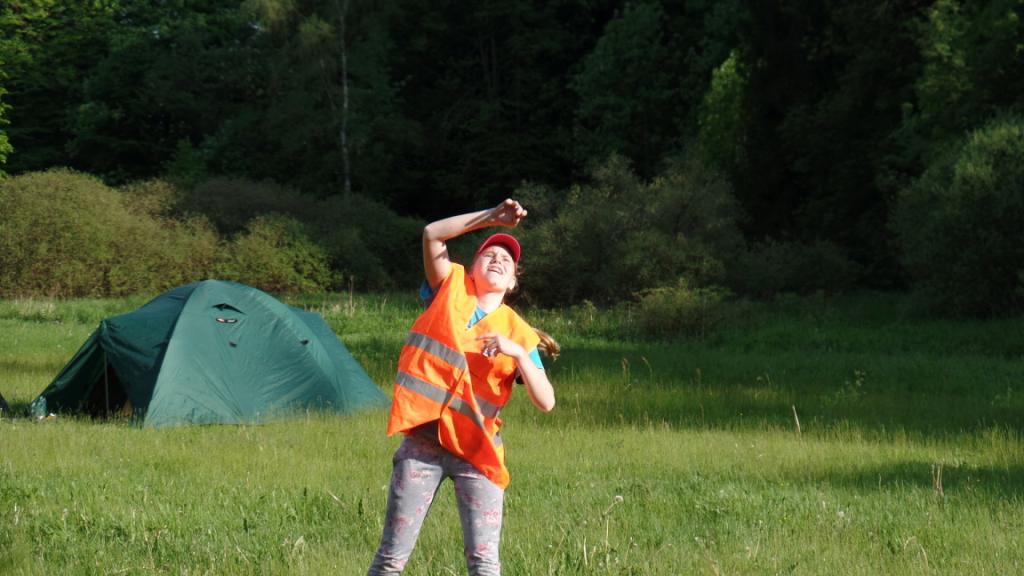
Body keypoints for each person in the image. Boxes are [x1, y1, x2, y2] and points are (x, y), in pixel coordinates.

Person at [367, 199, 557, 576]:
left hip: (478, 452)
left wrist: (518, 352)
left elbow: (546, 402)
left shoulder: (518, 332)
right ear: (472, 267)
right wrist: (491, 219)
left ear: (514, 280)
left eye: (508, 259)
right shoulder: (449, 286)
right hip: (424, 443)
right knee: (391, 559)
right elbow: (432, 233)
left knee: (485, 564)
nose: (499, 259)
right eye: (490, 253)